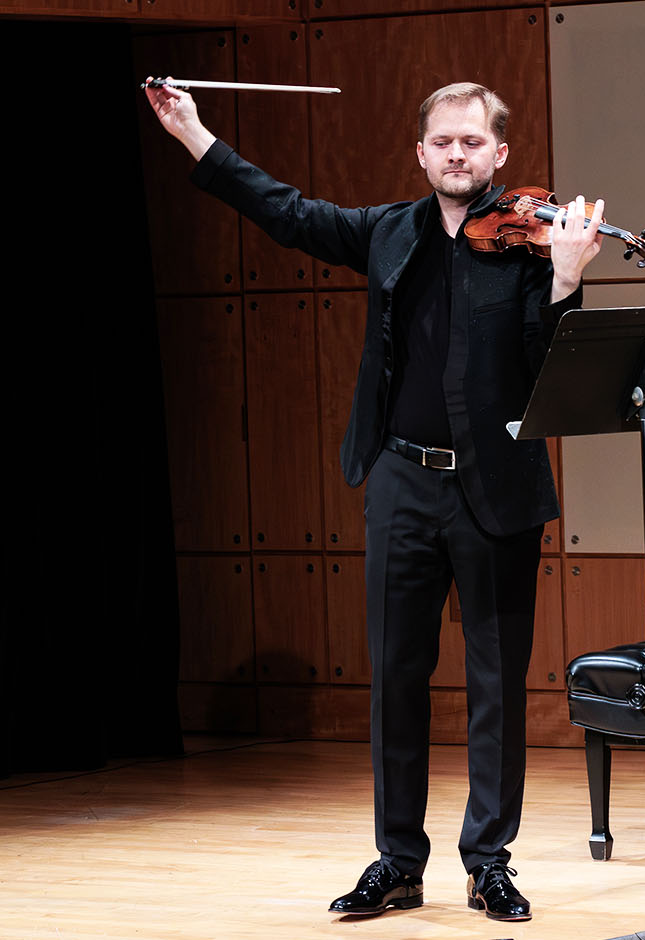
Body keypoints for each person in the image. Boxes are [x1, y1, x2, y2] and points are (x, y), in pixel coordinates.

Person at [144, 80, 605, 922]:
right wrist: (195, 136)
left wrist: (568, 281)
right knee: (395, 677)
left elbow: (556, 381)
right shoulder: (387, 231)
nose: (457, 155)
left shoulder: (541, 246)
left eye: (473, 143)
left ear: (499, 154)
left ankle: (488, 861)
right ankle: (396, 861)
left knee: (495, 683)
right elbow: (284, 209)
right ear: (421, 153)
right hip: (398, 477)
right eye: (443, 143)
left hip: (494, 485)